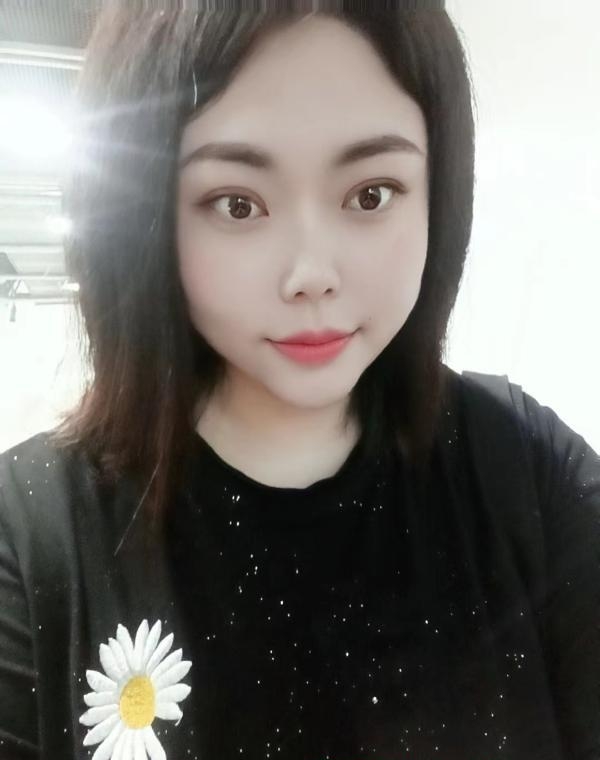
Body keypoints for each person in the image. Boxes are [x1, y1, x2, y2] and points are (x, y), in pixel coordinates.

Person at [1, 4, 599, 760]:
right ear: (145, 216)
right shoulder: (31, 535)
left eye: (371, 194)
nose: (312, 274)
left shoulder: (526, 469)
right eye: (238, 204)